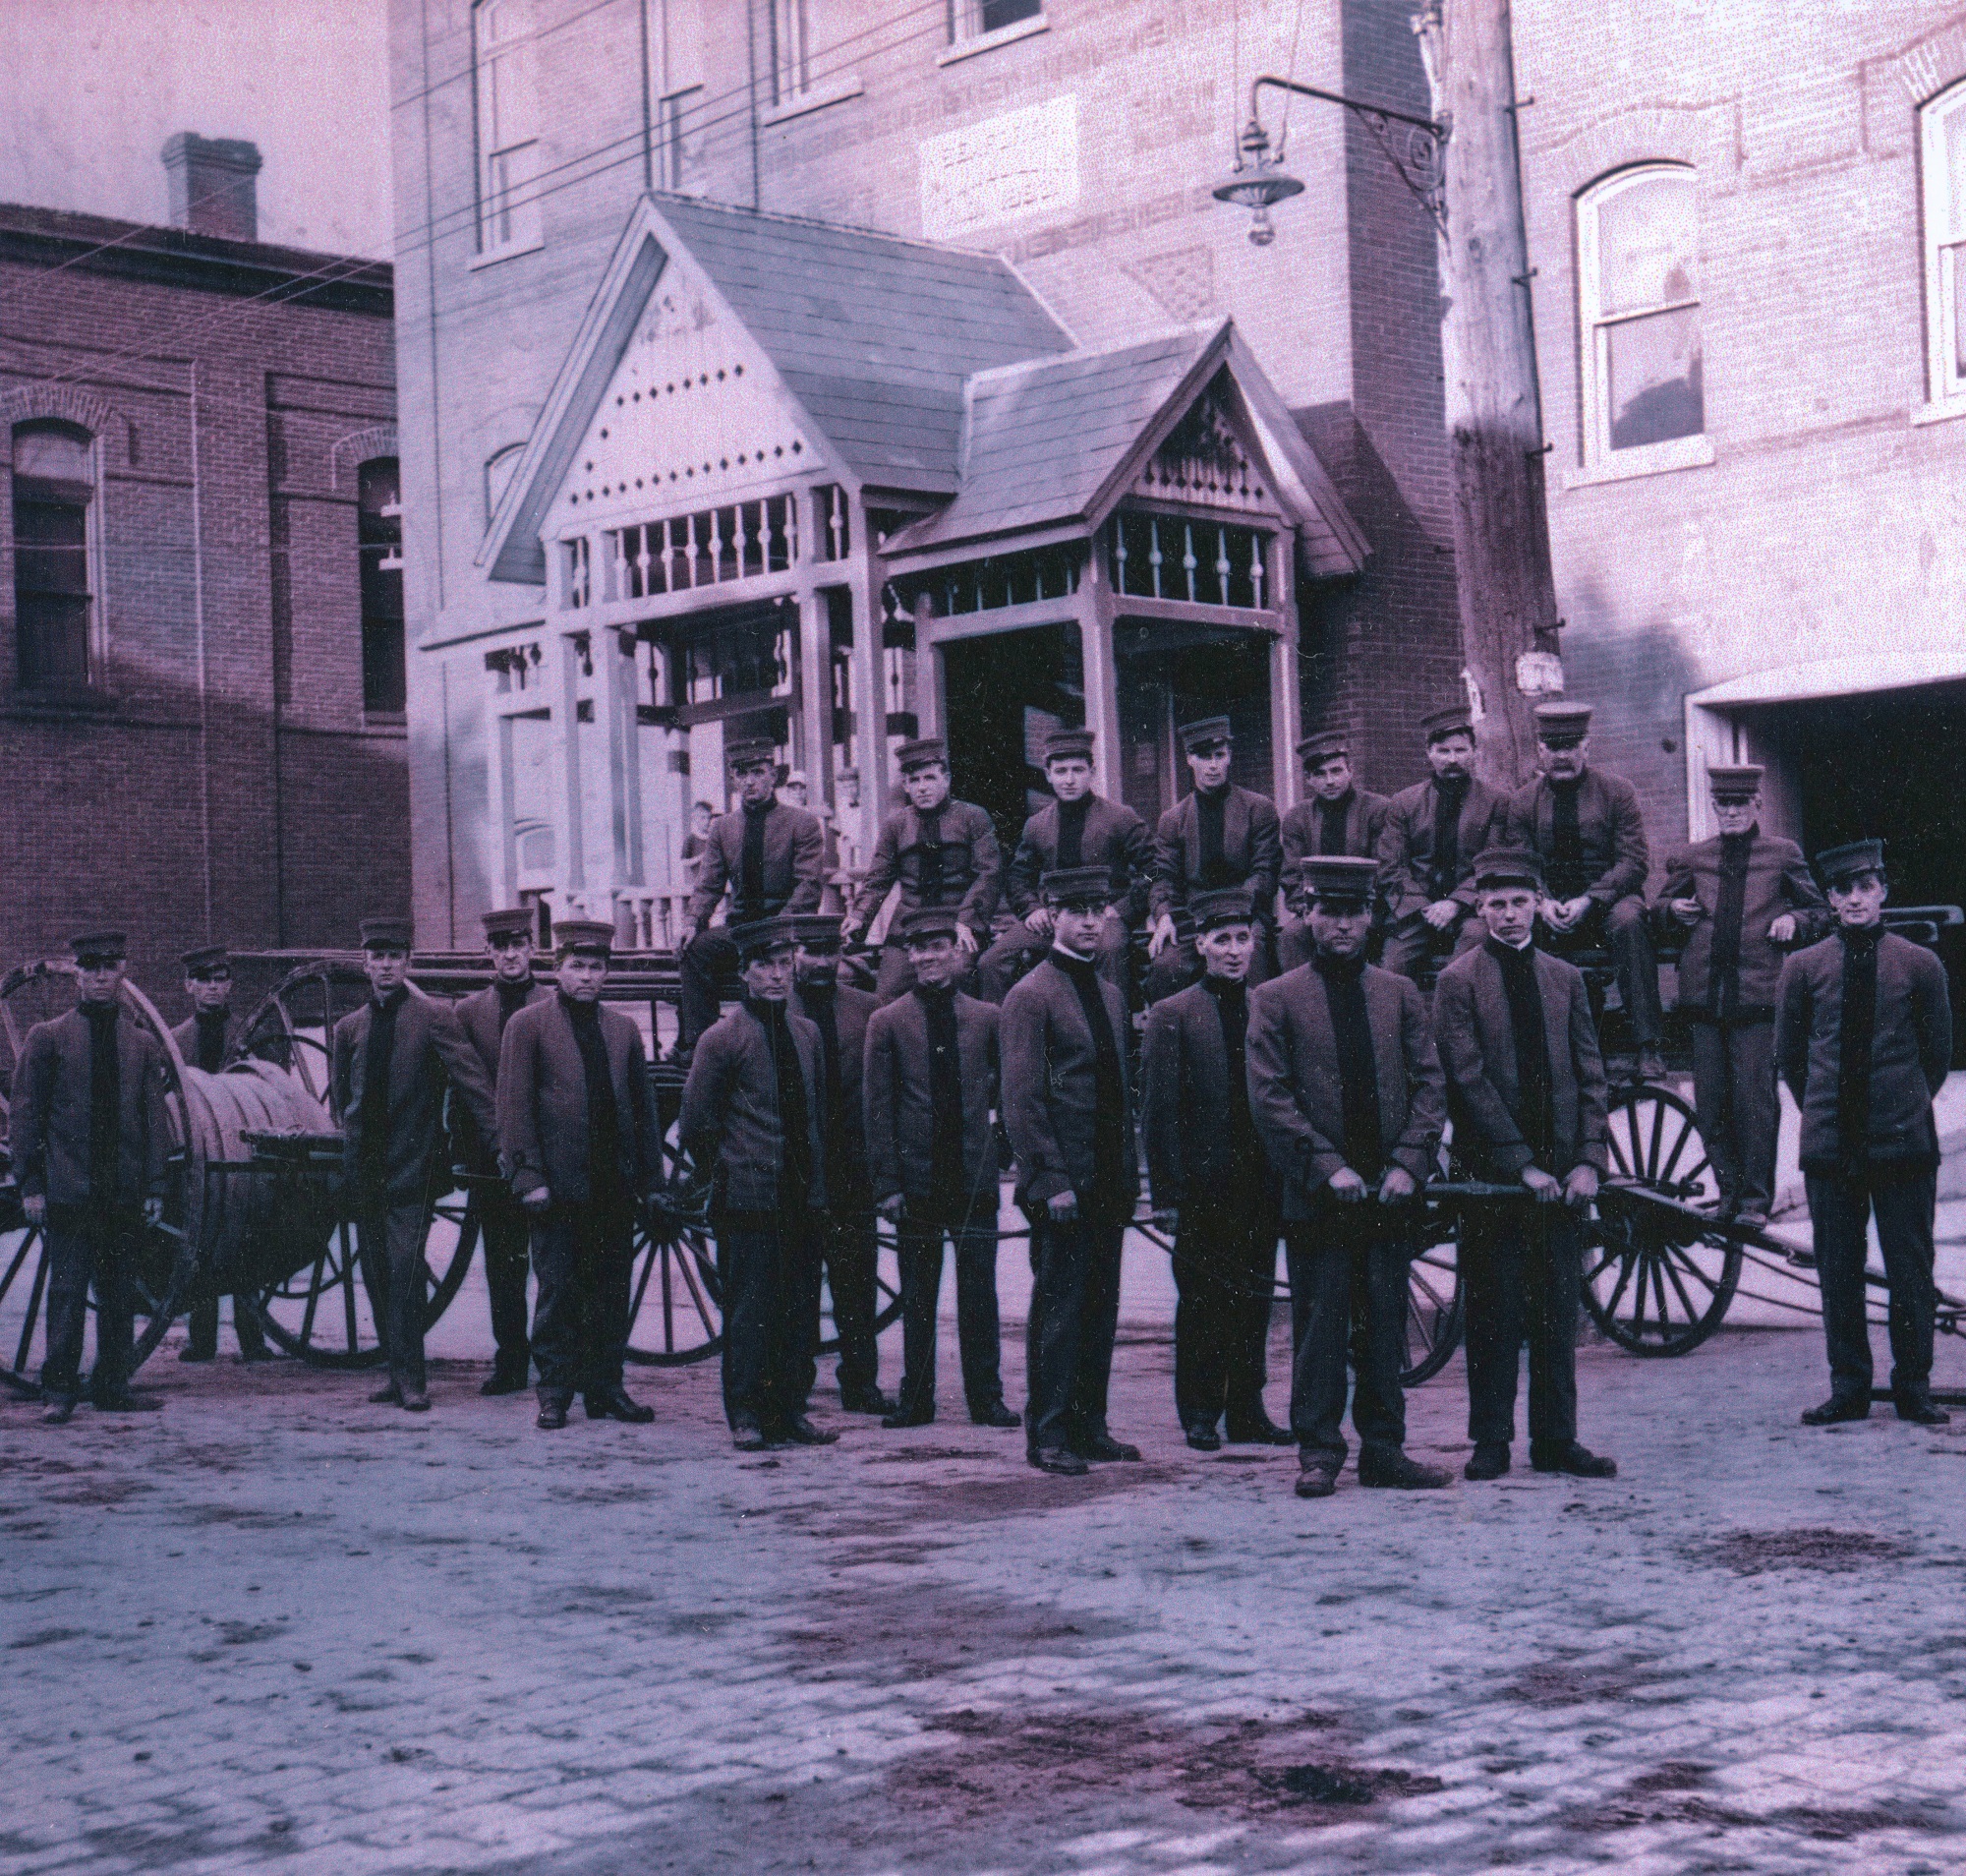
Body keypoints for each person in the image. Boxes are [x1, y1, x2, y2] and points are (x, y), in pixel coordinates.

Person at [1247, 859, 1450, 1496]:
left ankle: (1384, 1450)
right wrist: (1326, 1168)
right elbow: (1270, 1098)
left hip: (1388, 1195)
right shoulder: (1275, 999)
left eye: (1353, 912)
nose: (1341, 925)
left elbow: (1429, 1085)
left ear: (1370, 917)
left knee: (1385, 1322)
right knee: (1321, 1323)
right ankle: (1319, 1451)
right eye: (1328, 912)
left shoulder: (1398, 993)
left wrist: (1409, 1165)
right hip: (1321, 1200)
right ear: (1307, 915)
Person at [1434, 849, 1617, 1482]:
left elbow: (1592, 1075)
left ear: (1539, 904)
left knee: (1557, 1310)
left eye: (1520, 903)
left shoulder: (1566, 978)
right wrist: (1521, 1167)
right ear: (1480, 909)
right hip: (1493, 1182)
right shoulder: (1457, 981)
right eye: (1497, 905)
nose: (1509, 915)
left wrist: (1590, 1161)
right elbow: (1466, 1079)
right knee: (1493, 1311)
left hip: (1566, 1181)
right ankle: (1490, 1442)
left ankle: (1555, 1441)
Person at [1776, 839, 1952, 1429]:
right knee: (1839, 1272)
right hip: (1831, 1145)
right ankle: (1848, 1388)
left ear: (1882, 891)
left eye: (1865, 888)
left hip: (1902, 1144)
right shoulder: (1803, 968)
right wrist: (1827, 1112)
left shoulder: (1919, 964)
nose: (1854, 899)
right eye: (1842, 890)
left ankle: (1914, 1387)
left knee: (1909, 1271)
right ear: (1828, 899)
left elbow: (1937, 1054)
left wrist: (1899, 1107)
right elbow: (1791, 1057)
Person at [1000, 866, 1143, 1476]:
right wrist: (1051, 1179)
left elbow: (1117, 1090)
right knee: (1059, 1307)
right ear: (1052, 914)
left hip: (1107, 1176)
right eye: (1077, 911)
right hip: (1063, 1182)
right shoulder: (1030, 995)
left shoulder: (1109, 993)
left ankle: (1090, 1426)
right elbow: (1023, 1099)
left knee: (1100, 1304)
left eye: (1098, 910)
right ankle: (1049, 1433)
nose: (1090, 922)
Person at [496, 919, 664, 1431]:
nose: (587, 977)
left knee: (612, 1289)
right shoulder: (527, 1026)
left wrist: (650, 1182)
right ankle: (554, 1393)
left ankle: (606, 1389)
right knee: (559, 1290)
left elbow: (642, 1110)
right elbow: (514, 1108)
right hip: (559, 1187)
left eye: (596, 968)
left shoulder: (622, 1030)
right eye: (577, 967)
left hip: (612, 1185)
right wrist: (529, 1178)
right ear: (558, 969)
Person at [1141, 888, 1291, 1450]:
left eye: (1242, 940)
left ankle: (1248, 1412)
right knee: (1203, 1299)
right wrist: (1168, 1196)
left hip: (1260, 1181)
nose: (1233, 951)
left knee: (1254, 1298)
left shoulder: (1267, 1005)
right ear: (1200, 944)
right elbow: (1158, 1112)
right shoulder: (1175, 1015)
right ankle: (1200, 1413)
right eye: (1221, 940)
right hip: (1203, 1187)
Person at [679, 917, 837, 1451]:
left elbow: (815, 1112)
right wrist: (732, 1169)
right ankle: (746, 1413)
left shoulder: (806, 1033)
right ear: (745, 973)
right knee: (751, 1310)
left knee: (799, 1306)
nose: (776, 975)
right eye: (764, 965)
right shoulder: (723, 1039)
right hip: (749, 1199)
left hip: (800, 1195)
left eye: (783, 964)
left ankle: (790, 1410)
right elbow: (698, 1122)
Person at [332, 915, 499, 1413]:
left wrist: (500, 1141)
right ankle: (393, 1371)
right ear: (365, 964)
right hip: (366, 1170)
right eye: (377, 958)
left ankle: (412, 1380)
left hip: (414, 1169)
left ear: (408, 963)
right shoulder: (349, 1029)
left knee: (405, 1271)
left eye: (394, 958)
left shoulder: (433, 1019)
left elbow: (471, 1082)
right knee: (379, 1273)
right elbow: (345, 1101)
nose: (385, 967)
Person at [863, 908, 1017, 1430]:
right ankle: (916, 1398)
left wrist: (1002, 1146)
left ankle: (986, 1397)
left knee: (980, 1293)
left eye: (939, 947)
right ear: (909, 955)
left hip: (973, 1179)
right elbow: (877, 1110)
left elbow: (1008, 1092)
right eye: (919, 949)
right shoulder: (887, 1021)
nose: (929, 957)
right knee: (919, 1294)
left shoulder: (987, 1017)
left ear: (957, 951)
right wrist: (887, 1185)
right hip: (918, 1182)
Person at [12, 929, 171, 1423]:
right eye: (91, 967)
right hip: (69, 1192)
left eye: (110, 967)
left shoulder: (142, 1044)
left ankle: (112, 1385)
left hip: (121, 1192)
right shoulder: (49, 1038)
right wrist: (32, 1185)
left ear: (123, 971)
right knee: (67, 1292)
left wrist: (155, 1187)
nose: (101, 976)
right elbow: (25, 1118)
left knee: (120, 1293)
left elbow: (154, 1123)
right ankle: (59, 1390)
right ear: (76, 973)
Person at [1659, 766, 1827, 1228]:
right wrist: (1672, 907)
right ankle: (1728, 1194)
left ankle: (1755, 1202)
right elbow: (1657, 909)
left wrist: (1795, 920)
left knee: (1755, 1101)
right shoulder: (1695, 858)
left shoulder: (1782, 855)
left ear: (1757, 805)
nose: (1731, 812)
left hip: (1757, 998)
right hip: (1704, 997)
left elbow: (1820, 910)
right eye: (1723, 804)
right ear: (1714, 807)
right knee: (1711, 1102)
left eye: (1740, 803)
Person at [1505, 701, 1664, 1081]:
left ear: (1586, 747)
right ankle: (1524, 1046)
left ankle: (1647, 1045)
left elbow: (1634, 861)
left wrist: (1591, 899)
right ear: (1540, 750)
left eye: (1571, 746)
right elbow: (1519, 861)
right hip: (1548, 906)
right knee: (1511, 927)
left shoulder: (1616, 792)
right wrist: (1541, 902)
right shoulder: (1522, 802)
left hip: (1607, 903)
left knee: (1630, 922)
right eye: (1554, 747)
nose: (1562, 756)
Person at [790, 914, 894, 1418]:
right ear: (793, 955)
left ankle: (860, 1382)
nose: (821, 963)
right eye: (811, 953)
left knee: (856, 1279)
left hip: (852, 1165)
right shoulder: (774, 1010)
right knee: (801, 1279)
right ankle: (795, 1382)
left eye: (829, 953)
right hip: (797, 1169)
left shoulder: (868, 1011)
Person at [976, 727, 1153, 1003]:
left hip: (1102, 918)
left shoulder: (1120, 818)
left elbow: (1154, 869)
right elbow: (1018, 877)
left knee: (1109, 950)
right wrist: (1032, 909)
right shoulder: (1037, 825)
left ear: (1092, 772)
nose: (1069, 779)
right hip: (1054, 920)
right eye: (1060, 771)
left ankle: (1112, 1038)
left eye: (1077, 770)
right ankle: (1004, 1040)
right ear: (1048, 775)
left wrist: (1122, 909)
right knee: (993, 961)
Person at [674, 739, 826, 1061]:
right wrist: (691, 922)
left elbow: (809, 885)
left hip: (784, 929)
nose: (750, 781)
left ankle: (778, 1052)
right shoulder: (723, 828)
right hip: (740, 930)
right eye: (742, 774)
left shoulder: (801, 823)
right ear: (734, 779)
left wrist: (780, 929)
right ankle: (702, 1048)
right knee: (695, 949)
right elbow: (709, 884)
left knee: (770, 989)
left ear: (774, 776)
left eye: (758, 772)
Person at [453, 908, 551, 1394]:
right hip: (493, 1158)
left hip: (548, 1156)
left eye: (519, 946)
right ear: (488, 953)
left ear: (532, 949)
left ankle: (555, 1360)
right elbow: (465, 1085)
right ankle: (511, 1358)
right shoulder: (469, 1013)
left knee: (554, 1261)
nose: (511, 955)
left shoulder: (553, 1004)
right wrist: (487, 1145)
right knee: (504, 1262)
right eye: (501, 947)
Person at [845, 737, 1003, 1001]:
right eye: (914, 780)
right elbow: (878, 879)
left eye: (929, 778)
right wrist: (859, 915)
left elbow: (990, 873)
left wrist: (968, 920)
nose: (922, 788)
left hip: (956, 920)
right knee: (886, 995)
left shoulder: (972, 817)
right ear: (905, 785)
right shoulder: (896, 825)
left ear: (946, 779)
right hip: (908, 923)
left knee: (961, 979)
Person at [171, 943, 268, 1366]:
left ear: (229, 985)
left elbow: (269, 1089)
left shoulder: (251, 1036)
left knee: (245, 1236)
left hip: (244, 1148)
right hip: (197, 1154)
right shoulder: (174, 1041)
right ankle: (202, 1339)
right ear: (189, 985)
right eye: (204, 981)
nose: (213, 988)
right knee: (198, 1239)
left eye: (220, 980)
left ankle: (253, 1338)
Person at [1144, 717, 1283, 1002]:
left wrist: (1235, 908)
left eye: (1219, 755)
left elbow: (1265, 871)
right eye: (1204, 756)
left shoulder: (1259, 809)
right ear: (1190, 759)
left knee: (1252, 963)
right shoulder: (1173, 819)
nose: (1212, 765)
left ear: (1229, 757)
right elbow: (1163, 876)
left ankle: (1256, 1036)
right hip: (1192, 919)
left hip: (1246, 913)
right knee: (1166, 966)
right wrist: (1165, 914)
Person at [1377, 703, 1508, 985]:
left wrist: (1456, 904)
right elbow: (1391, 866)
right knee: (1390, 971)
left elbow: (1494, 862)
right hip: (1416, 911)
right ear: (1429, 754)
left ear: (1474, 752)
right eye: (1443, 751)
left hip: (1472, 910)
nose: (1452, 759)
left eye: (1460, 750)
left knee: (1469, 953)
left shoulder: (1497, 802)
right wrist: (1425, 907)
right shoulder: (1404, 803)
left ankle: (1451, 1018)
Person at [1278, 733, 1390, 971]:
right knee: (1292, 935)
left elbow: (1384, 868)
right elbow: (1291, 875)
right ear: (1308, 778)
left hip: (1364, 908)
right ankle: (1300, 1003)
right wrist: (1312, 910)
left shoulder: (1377, 809)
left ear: (1350, 770)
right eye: (1320, 774)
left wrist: (1361, 908)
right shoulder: (1297, 818)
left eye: (1336, 771)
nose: (1329, 781)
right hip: (1319, 909)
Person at [678, 800, 716, 896]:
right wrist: (700, 857)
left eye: (709, 818)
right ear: (695, 819)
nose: (707, 821)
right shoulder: (691, 839)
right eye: (703, 818)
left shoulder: (713, 837)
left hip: (716, 881)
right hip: (700, 883)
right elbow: (684, 861)